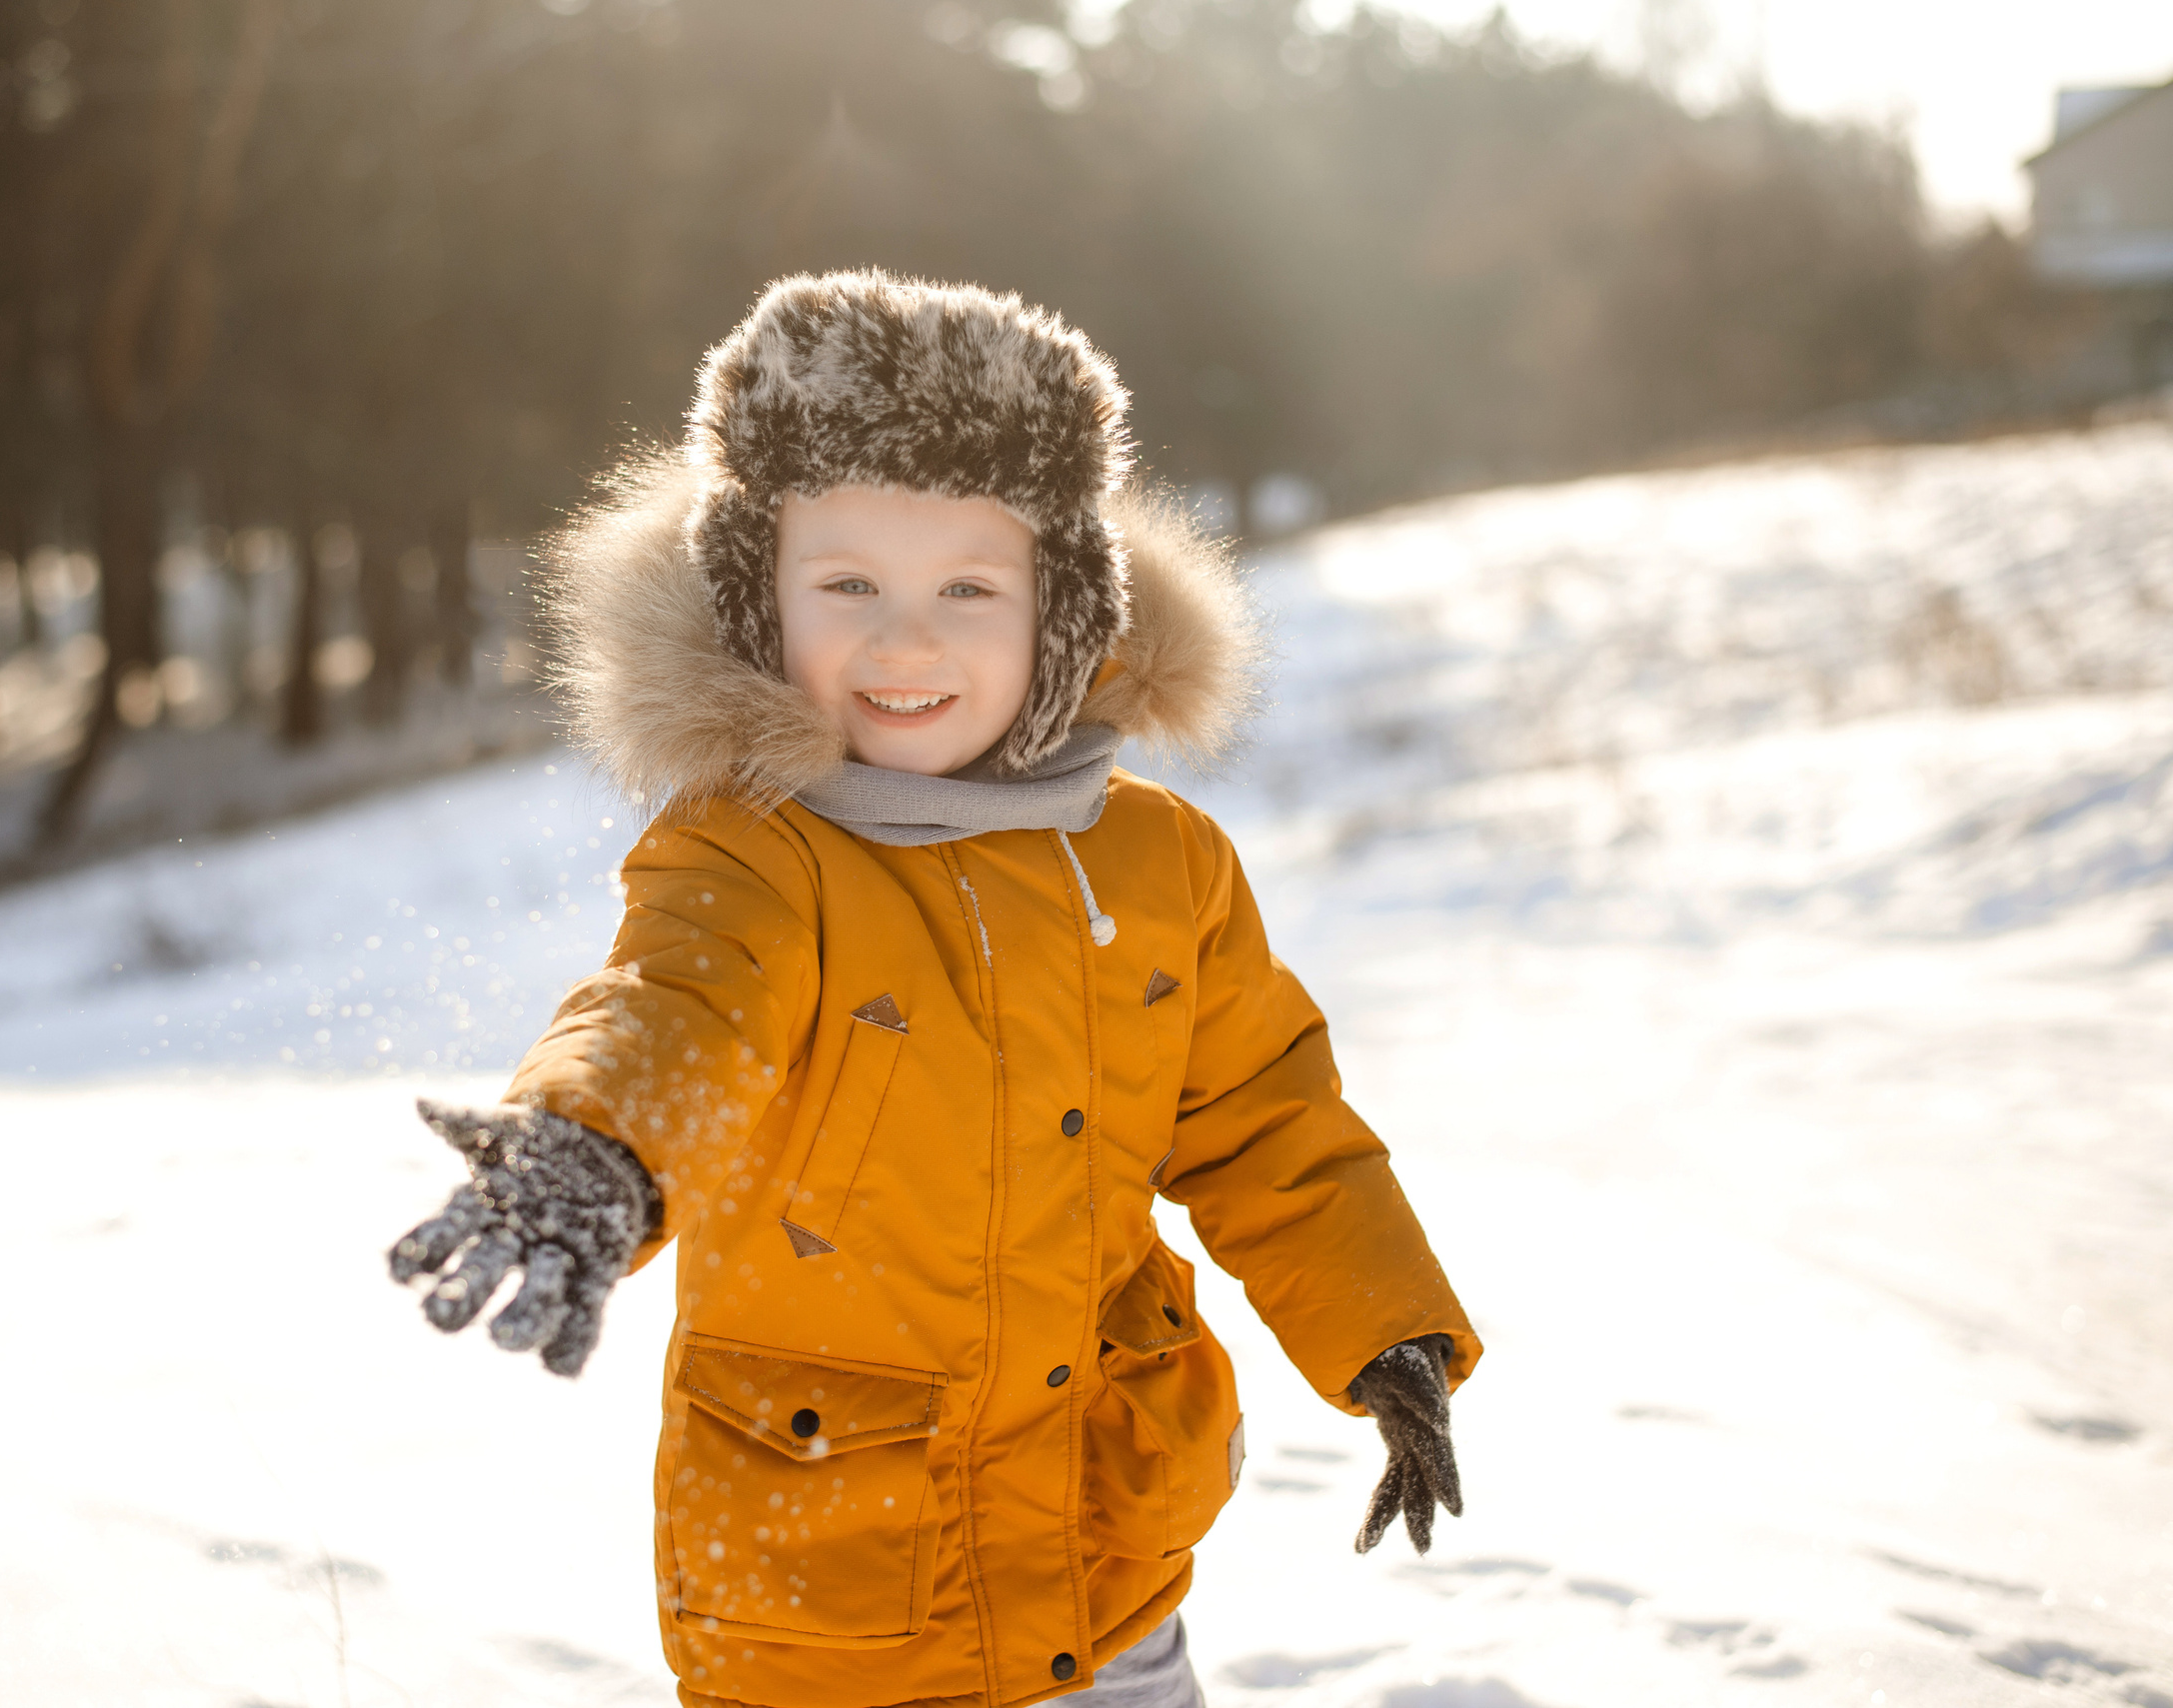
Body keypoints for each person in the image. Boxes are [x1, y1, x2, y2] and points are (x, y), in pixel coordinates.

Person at [387, 272, 1478, 1708]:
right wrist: (592, 1144)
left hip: (1108, 1563)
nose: (907, 643)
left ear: (1066, 604)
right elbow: (673, 1006)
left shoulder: (1160, 861)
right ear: (756, 601)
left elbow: (1269, 1121)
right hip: (837, 1596)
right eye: (849, 588)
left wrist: (1382, 1326)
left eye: (969, 588)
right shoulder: (757, 851)